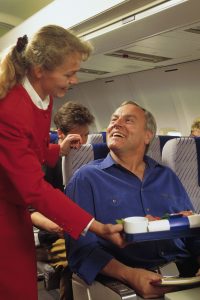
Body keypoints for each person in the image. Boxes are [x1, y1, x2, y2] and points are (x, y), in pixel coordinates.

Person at [0, 25, 124, 300]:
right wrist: (94, 225)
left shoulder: (41, 97)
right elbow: (33, 187)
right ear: (39, 69)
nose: (75, 80)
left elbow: (29, 148)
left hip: (13, 210)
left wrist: (57, 150)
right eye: (69, 73)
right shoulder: (10, 109)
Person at [65, 101, 200, 299]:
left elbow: (193, 231)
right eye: (113, 120)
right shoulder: (86, 179)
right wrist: (130, 275)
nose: (116, 124)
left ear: (148, 135)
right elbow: (81, 250)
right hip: (130, 284)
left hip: (186, 278)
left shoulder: (166, 176)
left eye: (128, 120)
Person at [31, 101, 95, 300]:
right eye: (76, 137)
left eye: (86, 135)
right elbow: (31, 211)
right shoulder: (46, 163)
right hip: (52, 234)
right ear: (60, 134)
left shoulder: (92, 158)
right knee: (73, 262)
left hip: (84, 230)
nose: (82, 143)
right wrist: (58, 227)